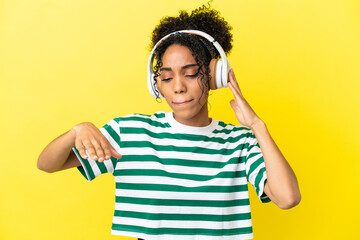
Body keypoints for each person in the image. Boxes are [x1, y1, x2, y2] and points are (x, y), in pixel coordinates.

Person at [38, 5, 301, 240]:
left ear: (213, 77)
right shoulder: (129, 133)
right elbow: (48, 164)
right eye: (166, 78)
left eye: (190, 74)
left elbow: (287, 197)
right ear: (156, 86)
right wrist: (76, 131)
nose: (178, 87)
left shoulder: (238, 142)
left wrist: (256, 125)